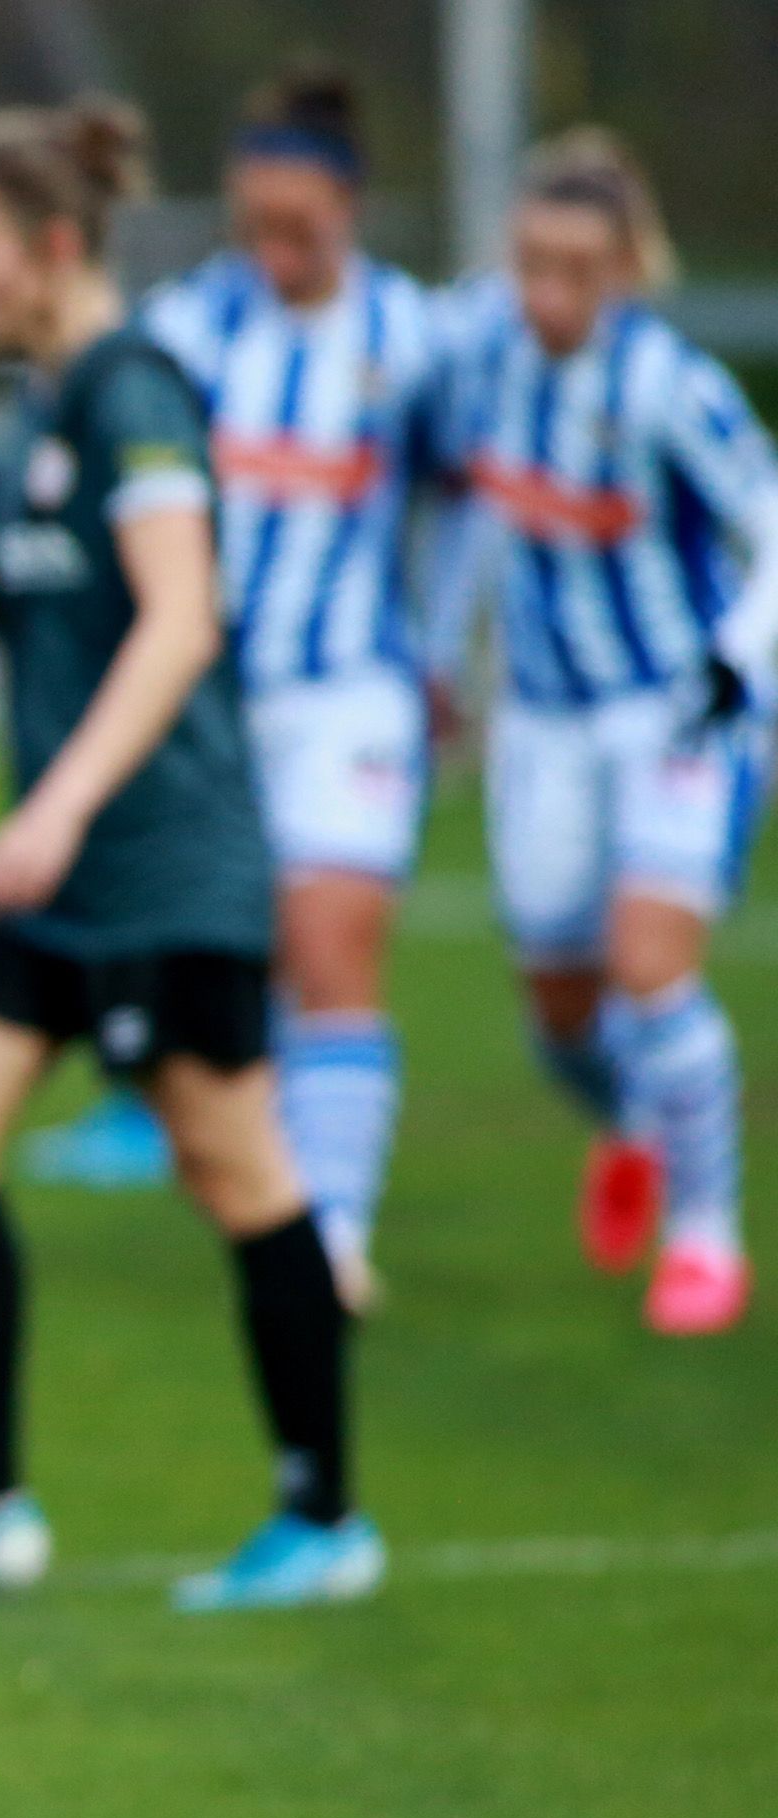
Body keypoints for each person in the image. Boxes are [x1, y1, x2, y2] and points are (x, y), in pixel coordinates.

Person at [0, 99, 377, 1613]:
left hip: (167, 870)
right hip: (62, 894)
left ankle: (324, 1517)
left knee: (233, 1162)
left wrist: (54, 806)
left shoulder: (133, 393)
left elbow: (182, 618)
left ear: (55, 249)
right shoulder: (41, 418)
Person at [124, 63, 458, 1313]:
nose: (276, 250)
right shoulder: (185, 330)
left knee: (332, 945)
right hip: (210, 700)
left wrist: (442, 650)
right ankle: (271, 1193)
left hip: (348, 694)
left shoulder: (416, 341)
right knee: (218, 968)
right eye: (255, 224)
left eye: (300, 228)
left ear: (351, 207)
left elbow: (475, 496)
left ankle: (335, 1235)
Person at [436, 131, 778, 1336]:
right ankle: (638, 1121)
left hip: (673, 714)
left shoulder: (667, 384)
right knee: (561, 1014)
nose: (549, 293)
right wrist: (438, 655)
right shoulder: (481, 353)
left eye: (577, 268)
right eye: (531, 263)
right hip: (543, 724)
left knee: (652, 968)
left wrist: (743, 662)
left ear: (628, 265)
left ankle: (705, 1235)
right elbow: (459, 510)